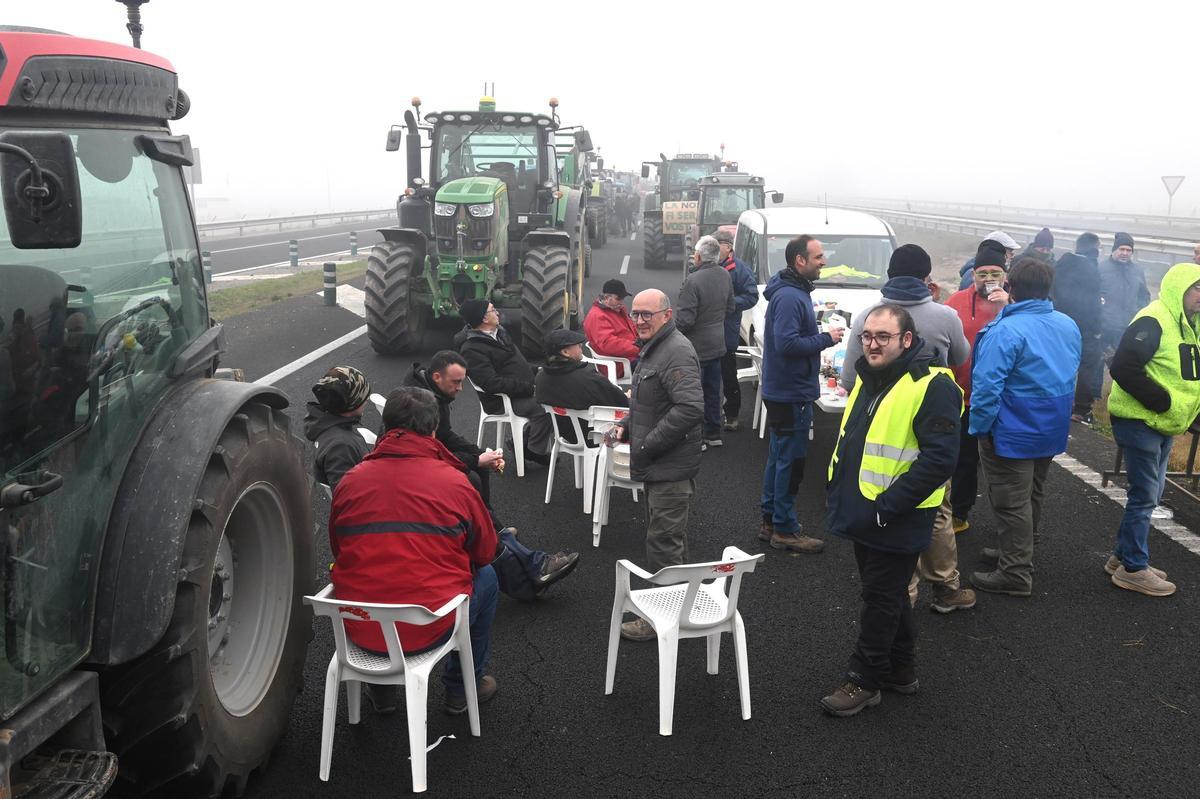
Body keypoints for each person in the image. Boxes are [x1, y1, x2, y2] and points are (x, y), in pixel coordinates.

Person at [821, 304, 962, 717]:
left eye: (883, 337)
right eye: (867, 336)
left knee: (880, 596)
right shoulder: (873, 377)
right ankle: (901, 670)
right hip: (867, 509)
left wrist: (888, 507)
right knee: (890, 593)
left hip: (896, 513)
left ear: (907, 339)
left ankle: (864, 679)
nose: (872, 344)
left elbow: (940, 460)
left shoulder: (932, 385)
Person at [329, 386, 500, 716]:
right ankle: (462, 688)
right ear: (434, 429)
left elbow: (340, 548)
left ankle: (381, 693)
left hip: (361, 628)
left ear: (387, 427)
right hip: (427, 627)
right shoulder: (455, 481)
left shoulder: (350, 480)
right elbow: (485, 552)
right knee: (488, 579)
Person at [840, 244, 974, 614]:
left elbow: (852, 378)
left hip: (883, 433)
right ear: (926, 277)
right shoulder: (945, 315)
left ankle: (904, 593)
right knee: (937, 510)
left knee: (889, 511)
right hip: (934, 425)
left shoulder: (870, 316)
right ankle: (946, 587)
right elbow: (962, 358)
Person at [969, 258, 1081, 597]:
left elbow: (987, 387)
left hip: (1012, 427)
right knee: (1033, 490)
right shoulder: (1067, 323)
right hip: (1051, 423)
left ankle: (1016, 572)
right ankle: (1015, 551)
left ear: (1011, 288)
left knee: (1010, 499)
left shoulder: (1006, 330)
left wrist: (979, 428)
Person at [610, 289, 703, 642]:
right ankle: (679, 608)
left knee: (663, 542)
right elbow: (649, 400)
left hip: (669, 465)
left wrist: (647, 444)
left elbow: (691, 408)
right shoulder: (656, 349)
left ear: (667, 315)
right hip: (660, 463)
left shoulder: (675, 351)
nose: (640, 320)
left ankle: (663, 620)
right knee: (668, 539)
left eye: (648, 314)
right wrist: (629, 425)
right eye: (635, 314)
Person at [1105, 262, 1200, 596]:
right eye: (1197, 288)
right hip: (1141, 420)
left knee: (1152, 493)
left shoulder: (1191, 324)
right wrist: (1162, 402)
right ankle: (1133, 567)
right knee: (1144, 496)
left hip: (1165, 423)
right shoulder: (1154, 318)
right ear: (1179, 288)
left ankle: (1121, 558)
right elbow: (1123, 366)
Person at [758, 235, 844, 553]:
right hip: (790, 392)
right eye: (819, 257)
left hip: (784, 389)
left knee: (779, 458)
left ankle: (770, 521)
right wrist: (826, 338)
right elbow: (788, 344)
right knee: (790, 463)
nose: (824, 262)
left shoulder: (791, 292)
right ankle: (785, 528)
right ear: (800, 261)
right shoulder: (792, 297)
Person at [943, 245, 1010, 533]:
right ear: (973, 275)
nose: (988, 279)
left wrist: (1008, 305)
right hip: (963, 397)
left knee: (1005, 464)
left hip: (1003, 399)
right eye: (982, 274)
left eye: (995, 273)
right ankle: (959, 512)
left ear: (1005, 276)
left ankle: (1008, 522)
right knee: (964, 460)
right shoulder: (955, 302)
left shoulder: (1014, 304)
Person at [455, 298, 553, 464]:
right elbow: (491, 383)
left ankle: (522, 443)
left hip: (520, 391)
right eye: (493, 310)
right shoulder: (472, 349)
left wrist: (538, 371)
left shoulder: (499, 332)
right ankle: (531, 450)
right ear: (484, 318)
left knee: (558, 393)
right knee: (549, 406)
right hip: (502, 400)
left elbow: (517, 362)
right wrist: (530, 389)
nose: (497, 312)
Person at [405, 350, 506, 506]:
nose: (460, 388)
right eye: (456, 381)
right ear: (437, 377)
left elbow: (444, 435)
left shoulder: (433, 392)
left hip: (424, 455)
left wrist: (478, 453)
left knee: (481, 466)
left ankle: (488, 522)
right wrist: (476, 460)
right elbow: (427, 455)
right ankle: (478, 525)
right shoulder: (419, 406)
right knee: (471, 478)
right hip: (412, 466)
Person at [675, 235, 735, 449]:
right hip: (717, 345)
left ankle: (697, 437)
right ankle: (713, 433)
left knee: (693, 394)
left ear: (698, 256)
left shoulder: (692, 281)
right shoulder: (725, 275)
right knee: (713, 391)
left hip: (695, 349)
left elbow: (685, 320)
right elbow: (730, 308)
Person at [535, 327, 629, 444]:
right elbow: (621, 403)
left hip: (564, 434)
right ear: (565, 352)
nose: (581, 347)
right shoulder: (588, 378)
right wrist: (627, 396)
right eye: (578, 346)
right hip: (596, 436)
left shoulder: (540, 377)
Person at [1051, 232, 1104, 425]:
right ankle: (1081, 409)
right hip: (1085, 326)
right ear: (1094, 247)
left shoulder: (1062, 263)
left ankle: (1059, 403)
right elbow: (1094, 302)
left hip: (1060, 322)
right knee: (1087, 365)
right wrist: (1097, 328)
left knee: (1060, 362)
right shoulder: (1091, 268)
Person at [713, 229, 759, 432]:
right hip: (704, 333)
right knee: (705, 377)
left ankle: (732, 415)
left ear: (728, 247)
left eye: (718, 245)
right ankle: (708, 416)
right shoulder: (705, 265)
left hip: (726, 332)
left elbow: (752, 296)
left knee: (728, 376)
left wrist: (729, 303)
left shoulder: (739, 269)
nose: (713, 250)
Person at [303, 365, 373, 491]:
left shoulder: (329, 427)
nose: (367, 399)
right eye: (363, 395)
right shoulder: (340, 446)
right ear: (353, 401)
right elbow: (347, 494)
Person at [1098, 232, 1150, 356]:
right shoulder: (1101, 269)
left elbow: (1144, 296)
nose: (1125, 253)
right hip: (1104, 327)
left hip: (1128, 327)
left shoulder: (1137, 270)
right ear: (1114, 250)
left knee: (1123, 365)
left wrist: (1139, 313)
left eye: (1129, 250)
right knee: (1098, 364)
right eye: (1122, 249)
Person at [583, 279, 639, 379]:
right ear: (606, 297)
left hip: (629, 357)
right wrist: (639, 348)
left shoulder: (616, 310)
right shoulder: (597, 316)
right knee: (659, 366)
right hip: (618, 364)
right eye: (618, 298)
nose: (621, 302)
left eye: (623, 298)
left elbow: (632, 329)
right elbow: (608, 344)